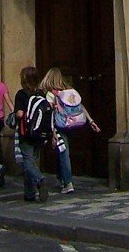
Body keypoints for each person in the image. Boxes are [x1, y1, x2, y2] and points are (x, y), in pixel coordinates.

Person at [39, 66, 100, 195]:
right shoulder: (70, 91)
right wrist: (91, 121)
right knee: (63, 151)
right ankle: (62, 179)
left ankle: (68, 183)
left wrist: (53, 133)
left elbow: (49, 115)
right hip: (73, 125)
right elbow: (80, 106)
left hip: (60, 126)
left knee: (63, 153)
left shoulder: (51, 94)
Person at [14, 66, 49, 203]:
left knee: (27, 161)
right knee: (33, 160)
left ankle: (40, 179)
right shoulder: (41, 94)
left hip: (26, 132)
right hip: (39, 133)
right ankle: (29, 193)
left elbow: (19, 113)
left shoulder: (22, 94)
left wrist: (17, 114)